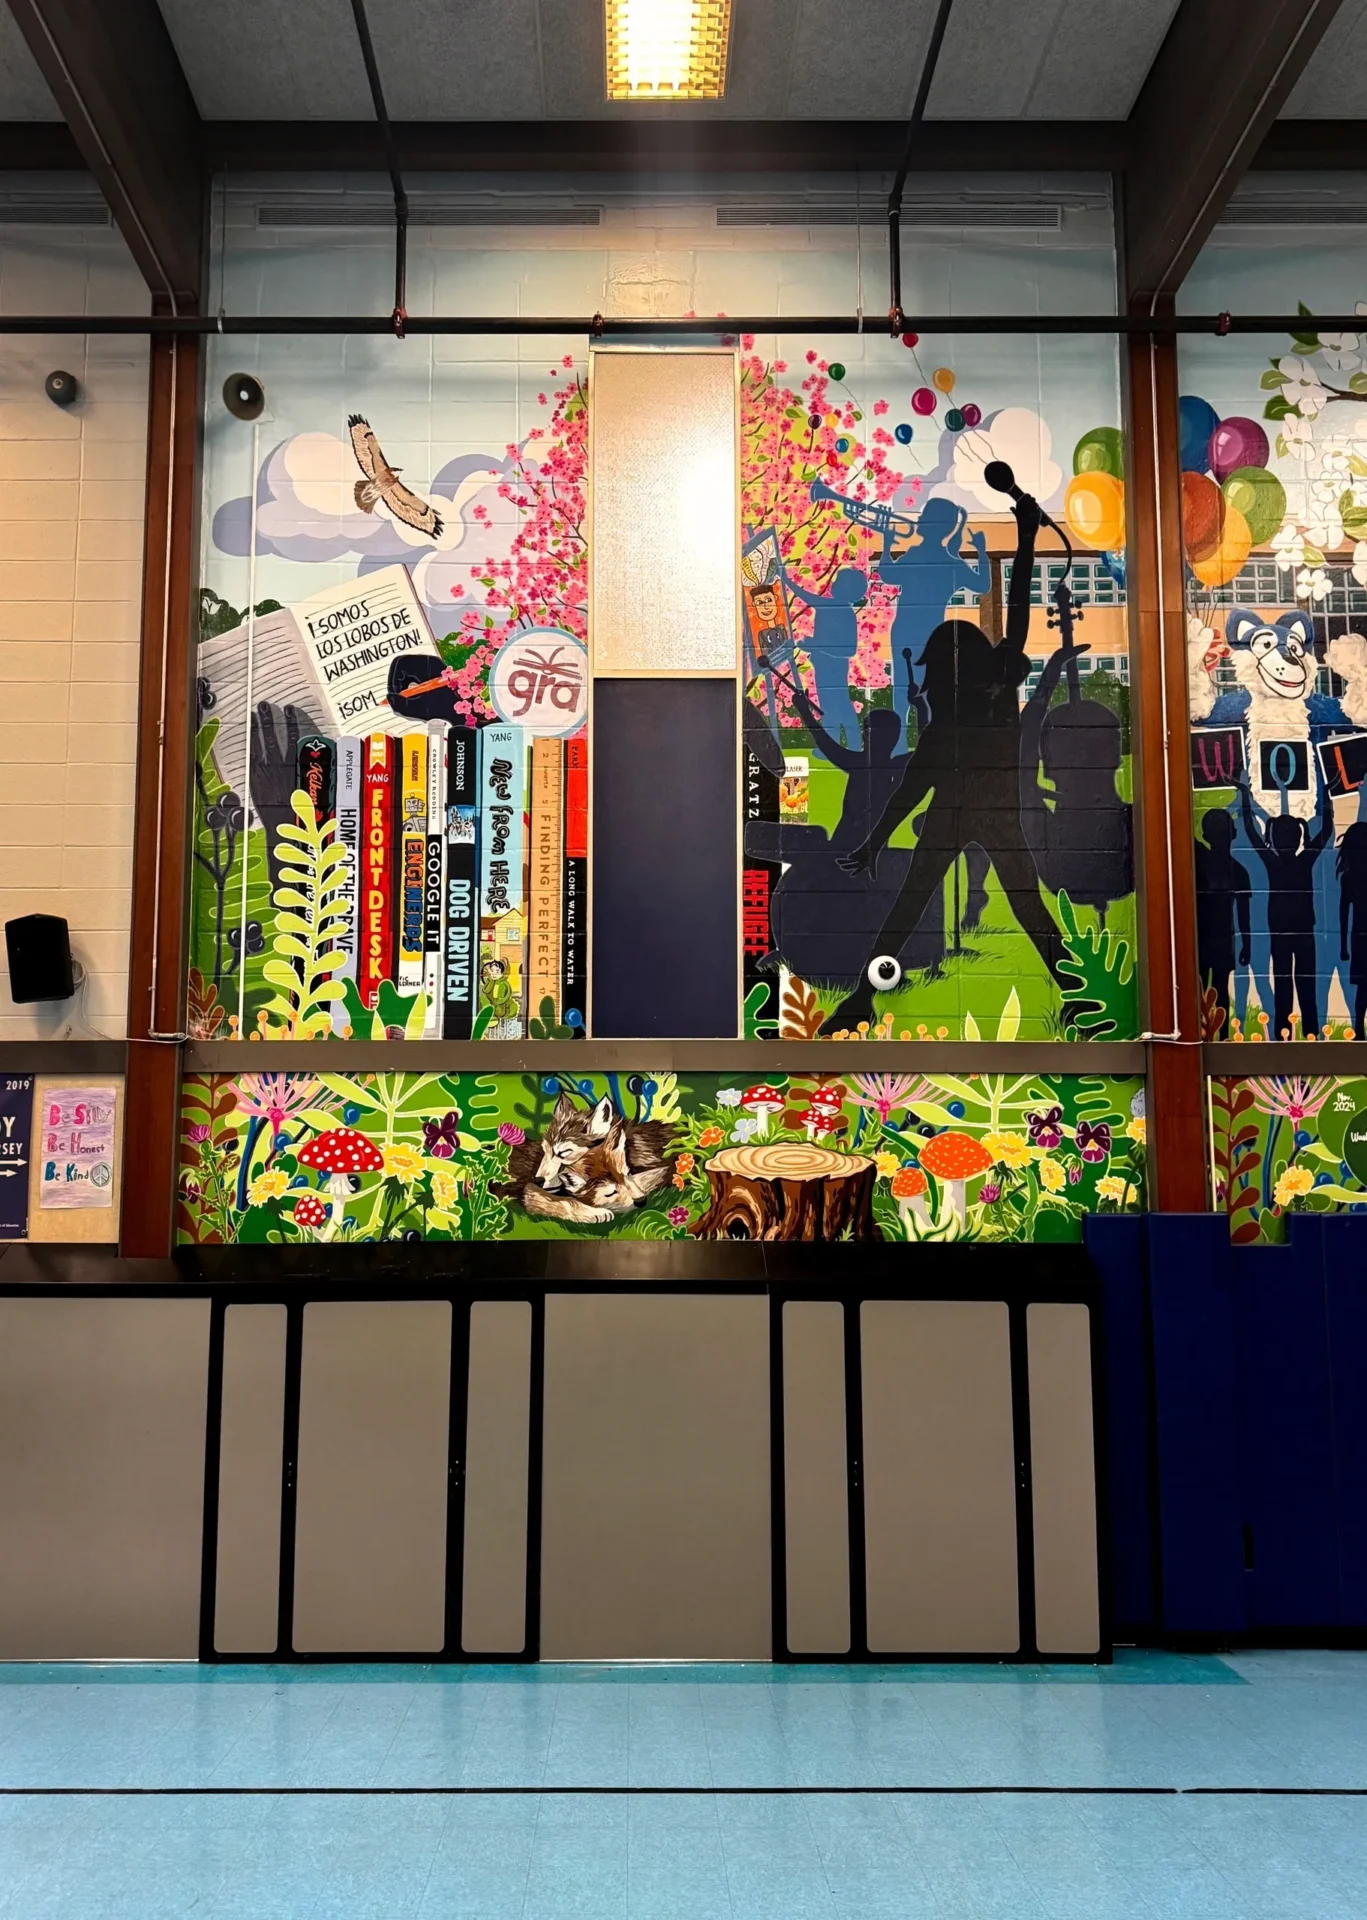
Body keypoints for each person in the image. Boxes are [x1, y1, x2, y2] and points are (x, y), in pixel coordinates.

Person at [818, 494, 1067, 1034]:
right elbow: (1018, 611)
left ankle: (861, 997)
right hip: (998, 818)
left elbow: (907, 795)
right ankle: (1076, 991)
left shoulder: (942, 727)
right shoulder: (999, 695)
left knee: (911, 902)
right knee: (1027, 905)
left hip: (951, 818)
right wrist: (1026, 536)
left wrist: (874, 844)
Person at [876, 497, 990, 729]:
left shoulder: (915, 555)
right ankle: (927, 738)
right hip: (933, 633)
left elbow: (887, 574)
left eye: (924, 516)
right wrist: (980, 552)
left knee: (902, 686)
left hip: (905, 629)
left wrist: (887, 547)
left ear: (933, 524)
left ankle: (901, 741)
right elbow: (982, 584)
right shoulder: (952, 564)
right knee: (929, 688)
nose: (918, 519)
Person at [1240, 774, 1334, 1039]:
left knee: (1285, 985)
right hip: (1300, 931)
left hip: (1283, 931)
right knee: (1305, 985)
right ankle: (1309, 1032)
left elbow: (1251, 831)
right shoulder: (1304, 860)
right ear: (1298, 838)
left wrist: (1244, 795)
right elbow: (1327, 831)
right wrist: (1326, 795)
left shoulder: (1274, 861)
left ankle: (1284, 1034)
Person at [779, 564, 866, 746]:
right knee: (829, 708)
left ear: (848, 590)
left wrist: (817, 646)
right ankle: (834, 745)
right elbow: (805, 596)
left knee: (840, 706)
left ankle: (854, 745)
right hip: (823, 666)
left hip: (834, 668)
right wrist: (786, 580)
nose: (833, 584)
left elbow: (849, 649)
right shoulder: (828, 605)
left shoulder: (845, 613)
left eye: (838, 582)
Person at [1194, 807, 1251, 1035]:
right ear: (1234, 834)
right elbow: (1244, 914)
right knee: (1220, 988)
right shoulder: (1239, 870)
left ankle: (1205, 1034)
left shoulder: (1198, 864)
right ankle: (1224, 1035)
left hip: (1202, 937)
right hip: (1221, 938)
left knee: (1200, 988)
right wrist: (1247, 944)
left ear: (1205, 836)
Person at [1338, 820, 1367, 1038]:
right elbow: (1343, 912)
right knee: (1363, 988)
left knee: (1363, 989)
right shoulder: (1350, 878)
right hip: (1360, 938)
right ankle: (1358, 1028)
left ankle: (1358, 1027)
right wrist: (1343, 946)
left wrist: (1343, 946)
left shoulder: (1349, 877)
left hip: (1359, 937)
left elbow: (1343, 913)